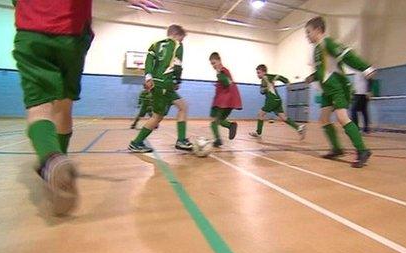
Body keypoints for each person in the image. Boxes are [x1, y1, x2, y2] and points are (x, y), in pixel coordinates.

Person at [12, 0, 163, 215]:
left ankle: (52, 160)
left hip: (31, 28)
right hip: (72, 34)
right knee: (64, 106)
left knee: (39, 107)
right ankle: (60, 169)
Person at [304, 16, 375, 168]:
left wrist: (365, 68)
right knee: (323, 119)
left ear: (318, 30)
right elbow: (324, 70)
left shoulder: (328, 43)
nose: (307, 36)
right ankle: (337, 148)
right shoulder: (317, 49)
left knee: (342, 118)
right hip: (326, 90)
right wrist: (312, 76)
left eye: (308, 32)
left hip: (338, 88)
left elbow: (347, 55)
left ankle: (363, 150)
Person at [128, 24, 193, 153]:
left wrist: (148, 77)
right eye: (181, 38)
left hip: (158, 83)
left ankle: (181, 140)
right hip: (165, 83)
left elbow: (148, 60)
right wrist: (177, 80)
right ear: (176, 35)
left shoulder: (156, 44)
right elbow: (178, 65)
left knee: (183, 106)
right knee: (157, 117)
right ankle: (136, 143)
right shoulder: (177, 45)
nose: (181, 41)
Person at [249, 64, 306, 140]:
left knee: (260, 114)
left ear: (263, 72)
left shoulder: (266, 77)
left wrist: (286, 82)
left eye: (259, 72)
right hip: (277, 100)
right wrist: (265, 89)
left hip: (272, 100)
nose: (257, 74)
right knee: (283, 117)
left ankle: (258, 133)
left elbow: (278, 76)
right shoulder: (264, 80)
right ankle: (299, 127)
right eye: (257, 73)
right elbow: (262, 91)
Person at [208, 52, 242, 147]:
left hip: (224, 100)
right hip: (230, 100)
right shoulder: (224, 71)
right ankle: (230, 126)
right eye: (212, 64)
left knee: (214, 120)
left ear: (219, 61)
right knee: (220, 120)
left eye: (214, 63)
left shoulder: (222, 71)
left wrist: (219, 74)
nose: (213, 66)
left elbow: (226, 83)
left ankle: (219, 138)